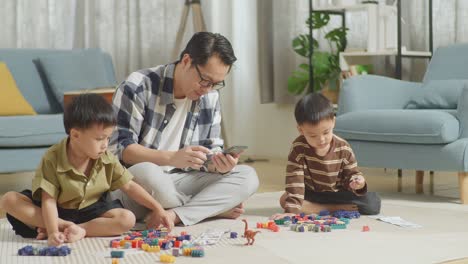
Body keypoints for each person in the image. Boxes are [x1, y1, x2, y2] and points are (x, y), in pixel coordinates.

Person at [108, 32, 259, 226]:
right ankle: (207, 208)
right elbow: (119, 149)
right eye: (205, 80)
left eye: (216, 84)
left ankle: (173, 215)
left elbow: (209, 150)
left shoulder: (210, 96)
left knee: (247, 177)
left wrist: (220, 165)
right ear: (187, 60)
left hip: (182, 180)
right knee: (150, 174)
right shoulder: (138, 85)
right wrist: (170, 158)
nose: (207, 89)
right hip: (137, 183)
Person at [0, 94, 172, 246]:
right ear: (75, 135)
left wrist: (158, 208)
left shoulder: (106, 157)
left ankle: (79, 230)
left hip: (90, 213)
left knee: (127, 219)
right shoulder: (52, 158)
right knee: (9, 200)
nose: (105, 144)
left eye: (108, 138)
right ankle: (60, 226)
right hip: (54, 211)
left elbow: (130, 186)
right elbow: (48, 201)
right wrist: (53, 231)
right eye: (100, 139)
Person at [271, 93, 381, 220]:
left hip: (338, 193)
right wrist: (291, 211)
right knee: (285, 200)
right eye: (313, 136)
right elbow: (295, 180)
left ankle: (317, 207)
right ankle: (329, 209)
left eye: (326, 132)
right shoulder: (298, 148)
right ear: (301, 130)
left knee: (373, 203)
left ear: (333, 121)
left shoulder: (343, 147)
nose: (321, 140)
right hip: (312, 193)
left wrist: (357, 182)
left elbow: (351, 174)